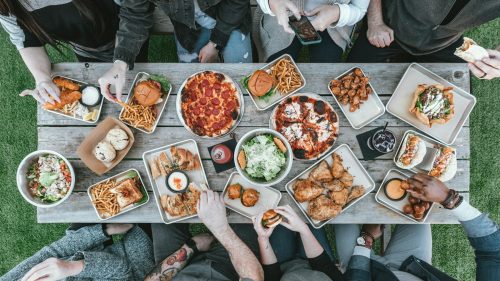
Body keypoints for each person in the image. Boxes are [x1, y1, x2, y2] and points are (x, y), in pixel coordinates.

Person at [335, 173, 500, 281]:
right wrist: (448, 199)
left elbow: (357, 277)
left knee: (338, 211)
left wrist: (366, 239)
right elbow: (493, 253)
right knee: (418, 208)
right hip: (412, 267)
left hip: (364, 271)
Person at [0, 0, 151, 105]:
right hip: (85, 48)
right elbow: (26, 39)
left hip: (125, 34)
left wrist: (121, 61)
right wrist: (42, 78)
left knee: (136, 81)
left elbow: (135, 11)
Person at [99, 0, 253, 102]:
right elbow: (135, 14)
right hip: (189, 28)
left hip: (230, 20)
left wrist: (215, 44)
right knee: (192, 94)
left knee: (244, 84)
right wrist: (120, 63)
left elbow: (237, 2)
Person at [145, 190, 264, 281]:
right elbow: (254, 277)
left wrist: (191, 247)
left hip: (176, 272)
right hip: (230, 268)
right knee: (249, 211)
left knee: (160, 208)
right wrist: (221, 229)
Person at [347, 0, 500, 63]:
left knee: (455, 97)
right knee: (352, 76)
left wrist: (497, 62)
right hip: (390, 24)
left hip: (445, 41)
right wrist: (375, 22)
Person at [0, 223, 154, 281]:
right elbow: (121, 270)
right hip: (134, 262)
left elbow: (53, 252)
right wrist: (70, 268)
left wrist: (104, 231)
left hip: (91, 249)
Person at [254, 0, 368, 63]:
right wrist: (272, 3)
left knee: (325, 73)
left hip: (334, 23)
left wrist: (338, 13)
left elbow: (359, 8)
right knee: (276, 70)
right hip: (281, 13)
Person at [252, 205, 345, 281]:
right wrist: (303, 229)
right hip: (318, 264)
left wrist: (263, 238)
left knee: (274, 208)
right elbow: (324, 265)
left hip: (281, 265)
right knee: (311, 211)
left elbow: (271, 274)